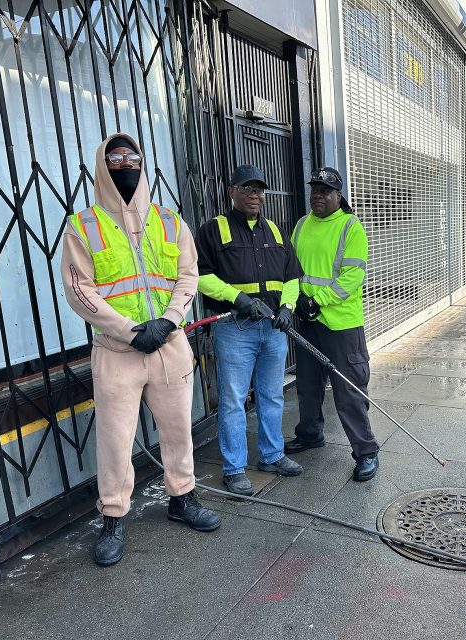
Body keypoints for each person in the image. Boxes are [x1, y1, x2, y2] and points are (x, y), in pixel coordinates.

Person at [61, 133, 220, 567]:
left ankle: (182, 499)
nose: (126, 163)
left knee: (178, 431)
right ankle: (113, 519)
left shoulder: (170, 220)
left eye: (133, 156)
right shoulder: (83, 224)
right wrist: (131, 331)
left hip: (169, 345)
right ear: (102, 165)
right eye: (116, 157)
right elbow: (80, 291)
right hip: (117, 351)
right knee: (114, 442)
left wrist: (169, 321)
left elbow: (188, 276)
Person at [195, 165, 303, 496]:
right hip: (234, 328)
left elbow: (292, 277)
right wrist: (239, 299)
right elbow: (199, 275)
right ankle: (234, 468)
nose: (254, 195)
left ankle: (272, 456)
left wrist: (287, 308)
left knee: (272, 395)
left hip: (272, 329)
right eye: (247, 189)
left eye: (259, 190)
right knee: (233, 401)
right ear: (232, 191)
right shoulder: (214, 229)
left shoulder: (275, 230)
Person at [284, 167, 379, 482]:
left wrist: (317, 300)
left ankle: (366, 452)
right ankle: (310, 433)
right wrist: (298, 300)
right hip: (307, 320)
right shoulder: (301, 225)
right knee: (308, 386)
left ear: (338, 195)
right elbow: (293, 268)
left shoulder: (351, 227)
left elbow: (352, 277)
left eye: (325, 190)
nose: (317, 195)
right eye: (315, 189)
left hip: (341, 325)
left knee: (348, 390)